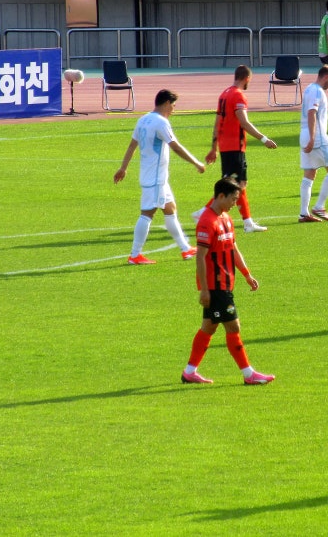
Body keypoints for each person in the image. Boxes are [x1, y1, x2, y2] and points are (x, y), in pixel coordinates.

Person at [181, 176, 275, 386]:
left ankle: (189, 372)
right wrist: (204, 290)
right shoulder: (207, 222)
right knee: (233, 327)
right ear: (221, 196)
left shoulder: (226, 219)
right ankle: (249, 374)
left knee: (209, 327)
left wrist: (247, 274)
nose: (236, 204)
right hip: (215, 286)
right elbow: (201, 257)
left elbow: (232, 249)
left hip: (226, 283)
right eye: (233, 199)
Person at [113, 89, 206, 265]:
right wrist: (196, 163)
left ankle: (186, 249)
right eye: (173, 105)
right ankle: (135, 255)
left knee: (170, 210)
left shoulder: (143, 119)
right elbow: (175, 146)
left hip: (155, 177)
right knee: (147, 214)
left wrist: (123, 168)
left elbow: (132, 145)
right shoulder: (160, 122)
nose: (173, 110)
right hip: (155, 179)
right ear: (165, 103)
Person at [191, 65, 278, 233]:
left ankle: (247, 223)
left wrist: (214, 147)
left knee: (237, 184)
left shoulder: (224, 94)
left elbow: (218, 122)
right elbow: (244, 122)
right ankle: (205, 213)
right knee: (235, 185)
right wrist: (264, 139)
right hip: (235, 147)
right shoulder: (238, 95)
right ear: (247, 78)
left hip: (225, 146)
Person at [299, 66, 328, 223]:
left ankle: (303, 213)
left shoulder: (309, 88)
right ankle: (319, 207)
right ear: (325, 77)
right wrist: (312, 138)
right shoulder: (317, 91)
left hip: (304, 135)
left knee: (309, 174)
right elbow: (312, 113)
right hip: (317, 137)